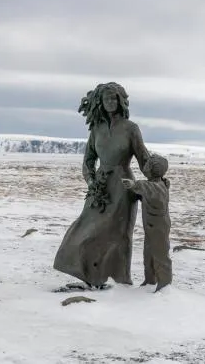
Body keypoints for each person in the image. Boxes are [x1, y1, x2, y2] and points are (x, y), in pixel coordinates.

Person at [53, 82, 149, 288]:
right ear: (100, 102)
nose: (111, 102)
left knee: (119, 235)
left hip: (123, 186)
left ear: (121, 101)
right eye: (106, 99)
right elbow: (88, 160)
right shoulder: (96, 129)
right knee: (85, 229)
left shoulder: (131, 129)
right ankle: (90, 274)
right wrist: (90, 180)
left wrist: (156, 177)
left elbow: (144, 160)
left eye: (114, 98)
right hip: (99, 187)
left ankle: (120, 280)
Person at [121, 154, 173, 292]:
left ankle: (165, 284)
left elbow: (147, 188)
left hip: (159, 227)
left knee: (161, 255)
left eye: (147, 164)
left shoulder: (158, 187)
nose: (145, 165)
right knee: (148, 255)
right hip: (151, 227)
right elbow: (146, 193)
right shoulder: (155, 185)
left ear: (151, 169)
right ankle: (150, 280)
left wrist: (134, 185)